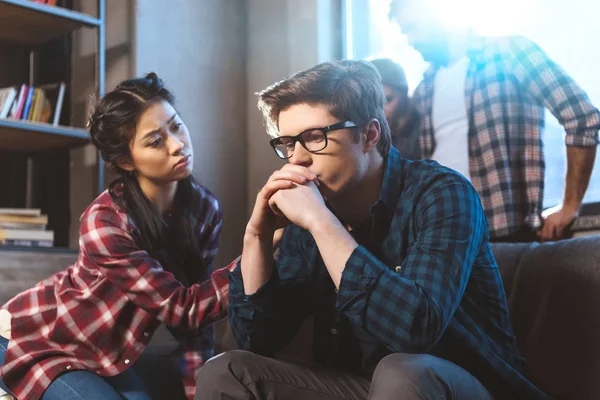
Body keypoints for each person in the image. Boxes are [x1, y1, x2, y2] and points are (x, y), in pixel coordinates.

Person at [194, 60, 549, 399]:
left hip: (463, 386)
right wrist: (256, 236)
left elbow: (413, 330)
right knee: (227, 371)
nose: (297, 159)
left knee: (402, 371)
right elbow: (260, 340)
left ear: (368, 135)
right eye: (288, 144)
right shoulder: (312, 217)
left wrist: (322, 223)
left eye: (315, 136)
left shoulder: (442, 193)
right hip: (365, 387)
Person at [0, 73, 233, 400]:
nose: (177, 144)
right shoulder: (105, 220)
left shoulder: (204, 210)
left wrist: (199, 388)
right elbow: (182, 308)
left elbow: (197, 322)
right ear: (125, 160)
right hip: (33, 338)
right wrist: (256, 252)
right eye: (155, 141)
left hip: (104, 353)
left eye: (177, 126)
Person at [389, 0, 600, 242]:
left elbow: (582, 116)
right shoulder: (425, 87)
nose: (411, 40)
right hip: (440, 237)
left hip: (501, 234)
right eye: (405, 32)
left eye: (414, 27)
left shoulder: (509, 52)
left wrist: (570, 206)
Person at [369, 58, 420, 160]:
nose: (379, 110)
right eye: (370, 102)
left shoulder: (423, 130)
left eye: (387, 99)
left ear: (404, 96)